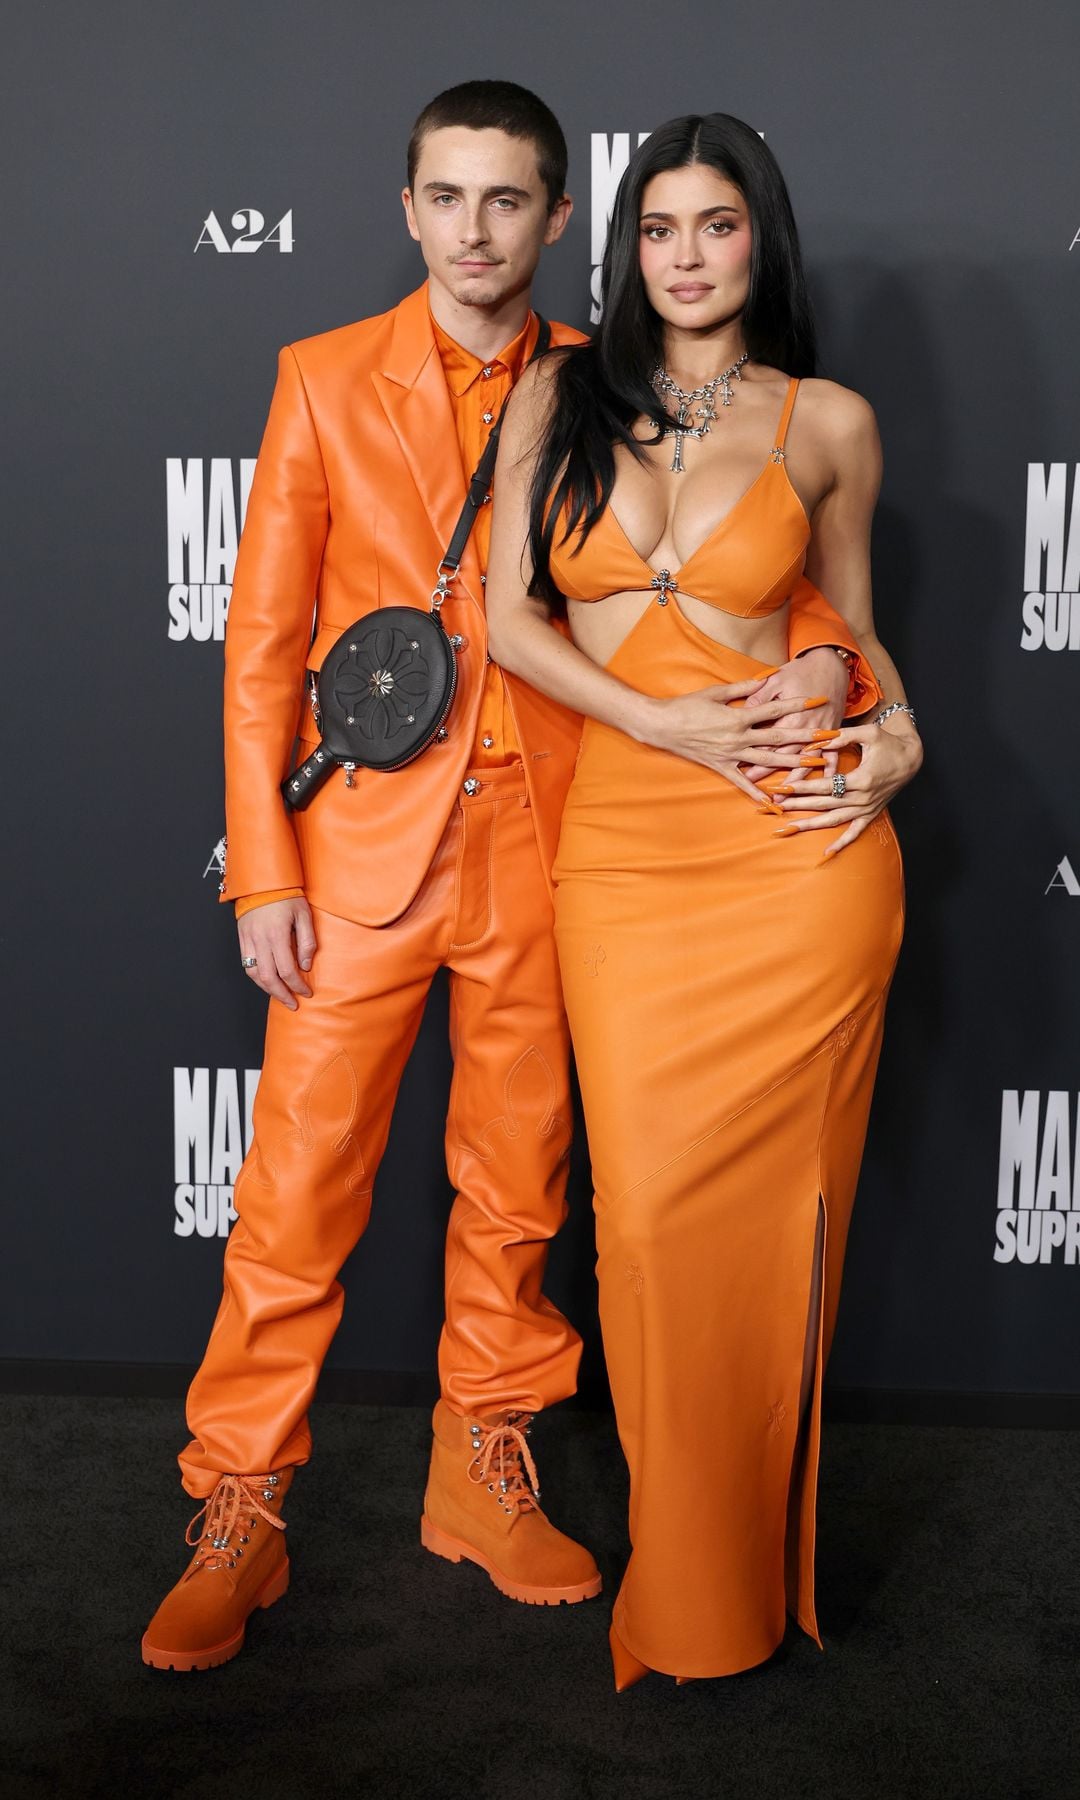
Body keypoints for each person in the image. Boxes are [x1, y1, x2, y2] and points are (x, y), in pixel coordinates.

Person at [142, 85, 880, 1674]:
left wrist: (846, 683)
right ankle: (240, 1506)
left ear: (559, 222)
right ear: (405, 209)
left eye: (507, 203)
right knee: (293, 1200)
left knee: (520, 1193)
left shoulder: (607, 384)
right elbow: (263, 641)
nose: (474, 230)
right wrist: (262, 864)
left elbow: (768, 582)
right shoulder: (324, 380)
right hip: (359, 862)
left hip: (563, 848)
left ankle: (483, 1469)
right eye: (446, 198)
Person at [485, 112, 920, 1687]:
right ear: (627, 246)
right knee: (651, 1232)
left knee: (769, 1238)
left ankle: (718, 1595)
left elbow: (860, 635)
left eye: (717, 225)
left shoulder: (833, 423)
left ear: (760, 240)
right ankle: (685, 1579)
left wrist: (903, 727)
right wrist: (660, 721)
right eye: (659, 227)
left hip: (798, 863)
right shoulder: (560, 391)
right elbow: (508, 622)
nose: (685, 255)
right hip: (631, 847)